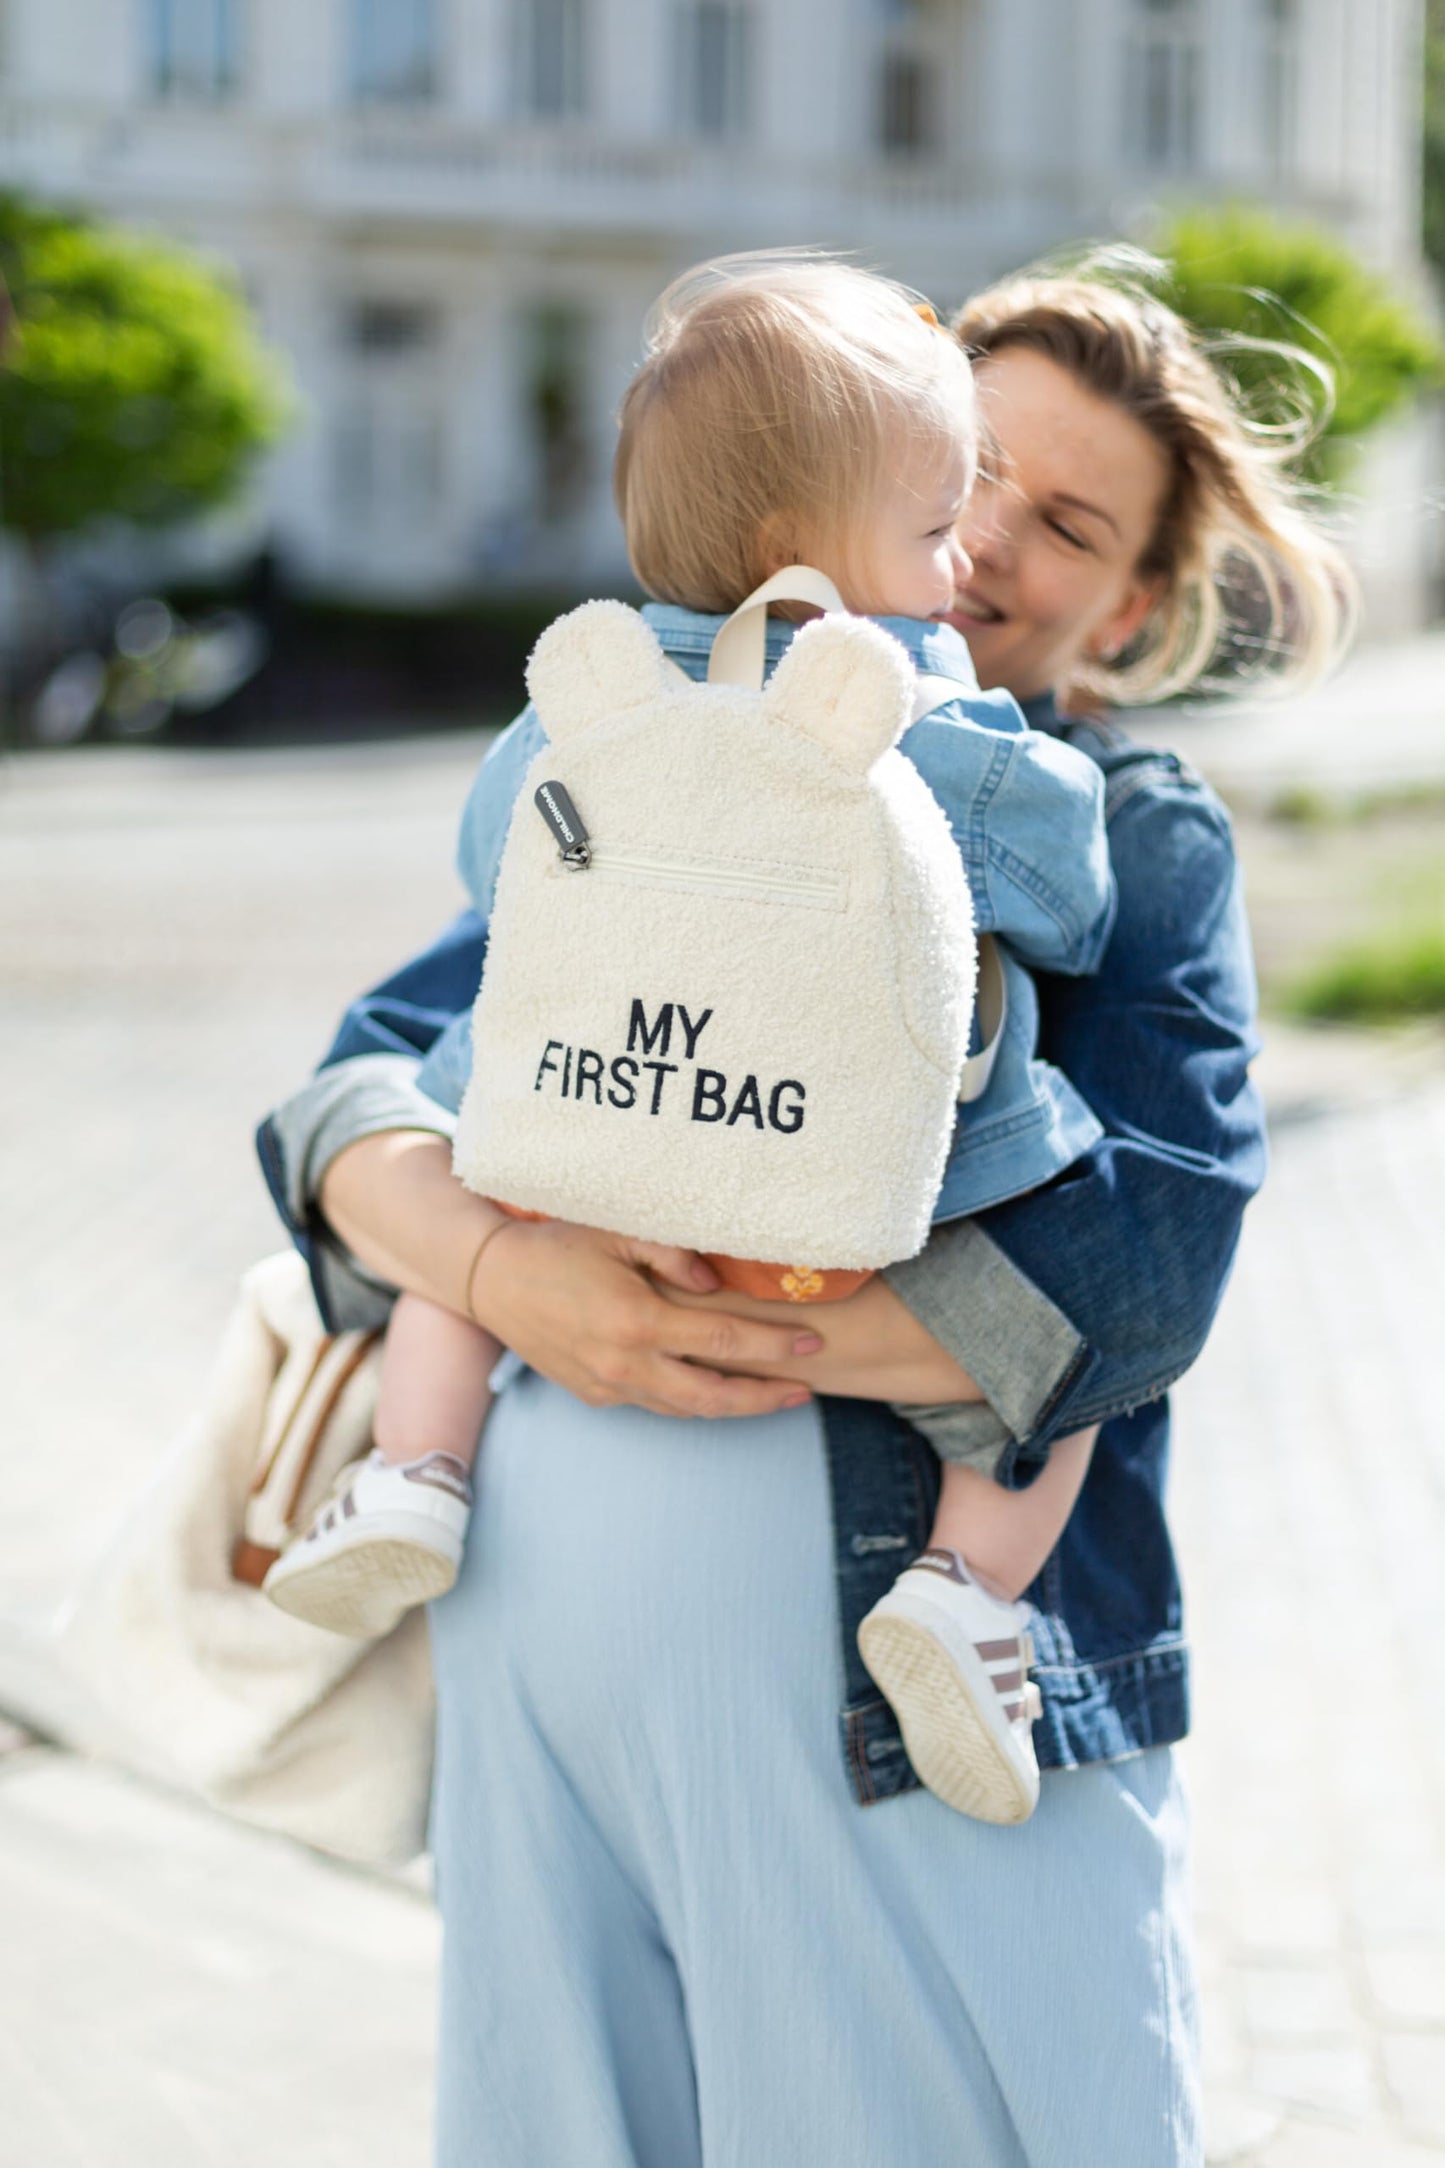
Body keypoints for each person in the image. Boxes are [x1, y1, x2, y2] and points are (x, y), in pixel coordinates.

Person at [257, 256, 1350, 2166]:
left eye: (1068, 521)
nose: (989, 538)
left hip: (897, 1733)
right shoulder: (672, 775)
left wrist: (705, 1322)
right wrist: (516, 1270)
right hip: (554, 1696)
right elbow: (362, 1087)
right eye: (972, 471)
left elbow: (1150, 1257)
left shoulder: (1115, 820)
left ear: (1137, 606)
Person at [262, 256, 1116, 1830]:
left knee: (476, 1166)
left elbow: (489, 871)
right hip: (846, 1199)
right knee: (1054, 1332)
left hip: (606, 1151)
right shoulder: (928, 718)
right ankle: (963, 1587)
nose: (958, 564)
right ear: (813, 555)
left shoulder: (573, 707)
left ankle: (416, 1468)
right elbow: (1065, 896)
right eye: (934, 531)